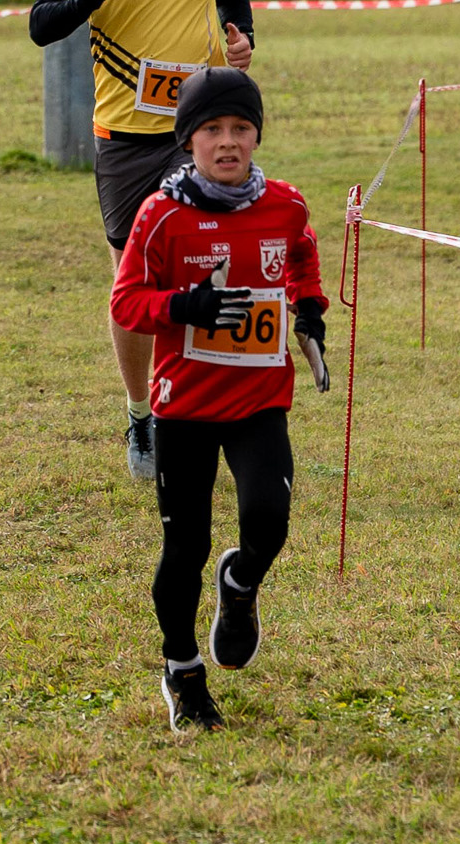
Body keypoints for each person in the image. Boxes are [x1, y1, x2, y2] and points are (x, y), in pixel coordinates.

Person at [28, 0, 255, 482]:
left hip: (200, 130)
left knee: (213, 265)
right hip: (127, 136)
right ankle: (140, 414)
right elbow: (42, 24)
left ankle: (204, 409)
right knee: (134, 284)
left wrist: (242, 37)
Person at [109, 67, 329, 733]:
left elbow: (301, 256)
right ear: (188, 140)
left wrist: (310, 310)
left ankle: (241, 585)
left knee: (269, 520)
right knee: (186, 546)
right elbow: (126, 303)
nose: (227, 141)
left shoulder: (285, 205)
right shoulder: (161, 215)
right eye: (211, 129)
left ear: (257, 135)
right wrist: (185, 306)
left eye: (240, 128)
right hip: (185, 405)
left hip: (260, 398)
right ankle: (183, 673)